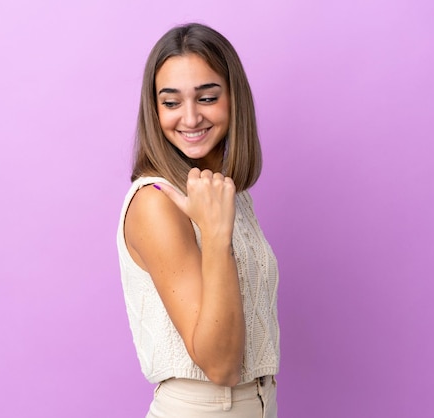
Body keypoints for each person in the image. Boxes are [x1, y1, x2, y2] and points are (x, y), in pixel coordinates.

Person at [117, 22, 280, 417]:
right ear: (154, 110)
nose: (189, 118)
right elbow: (221, 365)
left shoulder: (228, 196)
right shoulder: (157, 201)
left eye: (207, 97)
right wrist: (215, 235)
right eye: (171, 103)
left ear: (233, 99)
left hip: (258, 404)